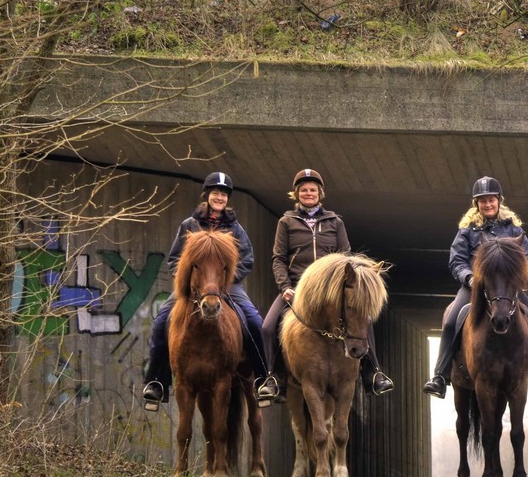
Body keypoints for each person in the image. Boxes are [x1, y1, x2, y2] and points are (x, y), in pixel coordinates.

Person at [422, 176, 528, 401]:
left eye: (491, 200)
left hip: (508, 290)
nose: (487, 204)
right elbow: (456, 261)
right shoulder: (467, 231)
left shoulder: (513, 229)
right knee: (452, 320)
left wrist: (515, 277)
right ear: (476, 204)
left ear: (499, 201)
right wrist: (470, 278)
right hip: (474, 287)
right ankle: (440, 376)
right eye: (482, 201)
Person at [260, 169, 394, 401]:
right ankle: (274, 377)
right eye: (304, 190)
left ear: (320, 193)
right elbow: (279, 258)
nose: (308, 193)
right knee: (268, 328)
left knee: (363, 318)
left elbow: (347, 257)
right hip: (296, 287)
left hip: (329, 289)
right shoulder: (287, 222)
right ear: (296, 194)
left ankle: (374, 372)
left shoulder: (335, 222)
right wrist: (284, 287)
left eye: (312, 189)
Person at [142, 172, 271, 410]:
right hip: (193, 288)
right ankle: (155, 382)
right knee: (161, 320)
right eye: (215, 193)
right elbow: (174, 260)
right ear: (207, 195)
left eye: (223, 194)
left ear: (227, 198)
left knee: (254, 321)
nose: (219, 197)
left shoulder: (235, 229)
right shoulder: (189, 225)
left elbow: (247, 259)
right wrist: (189, 281)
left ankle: (263, 379)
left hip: (226, 285)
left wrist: (225, 278)